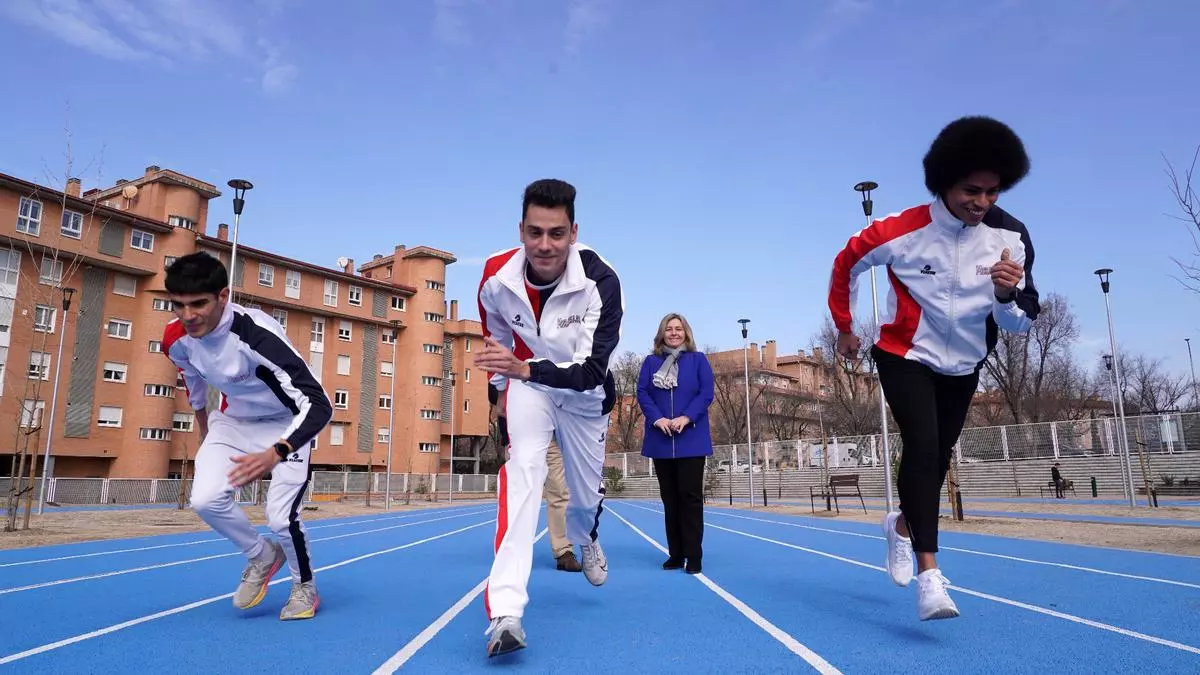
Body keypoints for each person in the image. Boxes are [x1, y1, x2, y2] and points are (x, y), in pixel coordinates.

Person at [827, 116, 1040, 621]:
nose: (981, 202)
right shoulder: (900, 230)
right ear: (943, 182)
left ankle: (902, 526)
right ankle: (930, 576)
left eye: (992, 191)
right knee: (923, 447)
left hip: (964, 364)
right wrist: (844, 327)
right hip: (904, 354)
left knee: (938, 456)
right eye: (971, 190)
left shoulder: (1011, 237)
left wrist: (1006, 294)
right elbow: (845, 264)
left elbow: (1021, 322)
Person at [475, 178, 623, 657]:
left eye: (556, 234)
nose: (545, 245)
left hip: (583, 397)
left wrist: (523, 369)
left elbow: (592, 370)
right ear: (520, 229)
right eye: (535, 232)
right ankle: (506, 612)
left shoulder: (602, 281)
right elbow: (497, 341)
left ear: (573, 233)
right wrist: (501, 392)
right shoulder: (495, 277)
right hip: (530, 386)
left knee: (583, 500)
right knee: (523, 476)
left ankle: (587, 537)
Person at [162, 252, 332, 621]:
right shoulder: (176, 339)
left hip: (286, 422)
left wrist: (276, 452)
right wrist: (205, 429)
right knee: (205, 499)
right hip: (234, 421)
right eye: (178, 305)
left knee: (280, 518)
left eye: (198, 304)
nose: (188, 316)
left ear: (223, 297)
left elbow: (320, 404)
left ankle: (304, 585)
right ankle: (261, 555)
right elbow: (192, 379)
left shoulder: (257, 335)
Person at [636, 313, 714, 574]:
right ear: (662, 334)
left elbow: (706, 393)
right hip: (661, 439)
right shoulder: (650, 362)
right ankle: (676, 554)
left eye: (678, 328)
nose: (673, 333)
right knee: (670, 500)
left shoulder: (698, 360)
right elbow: (643, 393)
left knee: (690, 499)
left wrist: (686, 417)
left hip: (691, 440)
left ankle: (694, 555)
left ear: (686, 333)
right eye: (668, 329)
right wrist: (657, 419)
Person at [489, 383, 583, 572]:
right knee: (520, 492)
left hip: (554, 431)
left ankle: (563, 550)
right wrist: (502, 398)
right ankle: (512, 549)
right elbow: (494, 386)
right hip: (522, 431)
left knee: (560, 490)